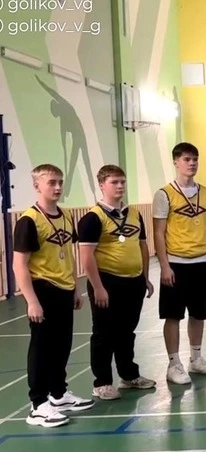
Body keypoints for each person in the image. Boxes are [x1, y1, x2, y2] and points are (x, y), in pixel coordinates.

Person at [13, 164, 94, 428]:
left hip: (64, 289)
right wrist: (32, 301)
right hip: (42, 289)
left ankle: (58, 394)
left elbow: (67, 254)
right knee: (41, 347)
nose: (58, 187)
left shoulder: (66, 216)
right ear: (37, 185)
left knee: (62, 344)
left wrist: (74, 287)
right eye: (51, 182)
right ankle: (38, 405)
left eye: (60, 182)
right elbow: (19, 265)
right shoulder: (29, 220)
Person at [79, 165, 157, 401]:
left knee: (126, 332)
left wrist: (145, 277)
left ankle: (129, 375)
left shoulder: (134, 214)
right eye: (114, 182)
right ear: (102, 185)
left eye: (122, 181)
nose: (120, 186)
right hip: (106, 282)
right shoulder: (93, 218)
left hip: (133, 282)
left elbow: (142, 246)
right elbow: (86, 256)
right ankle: (102, 382)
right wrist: (98, 287)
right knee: (103, 334)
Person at [154, 142, 206, 384]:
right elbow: (159, 232)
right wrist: (164, 265)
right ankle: (174, 364)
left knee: (198, 313)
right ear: (176, 162)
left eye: (195, 159)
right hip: (176, 263)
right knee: (173, 315)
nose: (192, 163)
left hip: (202, 262)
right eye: (186, 159)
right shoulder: (164, 194)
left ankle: (196, 359)